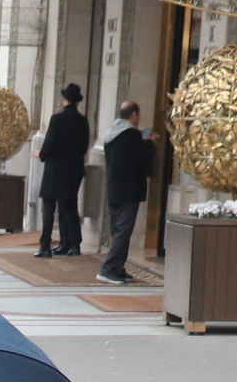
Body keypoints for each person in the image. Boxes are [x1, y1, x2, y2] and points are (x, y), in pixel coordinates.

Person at [97, 100, 153, 285]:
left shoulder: (110, 134)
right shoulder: (131, 135)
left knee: (117, 230)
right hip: (129, 190)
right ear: (134, 115)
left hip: (113, 188)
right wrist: (149, 143)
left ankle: (118, 267)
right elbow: (143, 160)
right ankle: (108, 268)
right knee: (123, 231)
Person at [33, 82, 90, 257]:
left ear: (64, 99)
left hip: (55, 169)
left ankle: (45, 246)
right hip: (74, 170)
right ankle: (74, 245)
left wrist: (40, 154)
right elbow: (84, 146)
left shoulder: (57, 119)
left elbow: (50, 144)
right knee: (70, 205)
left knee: (49, 207)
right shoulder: (83, 121)